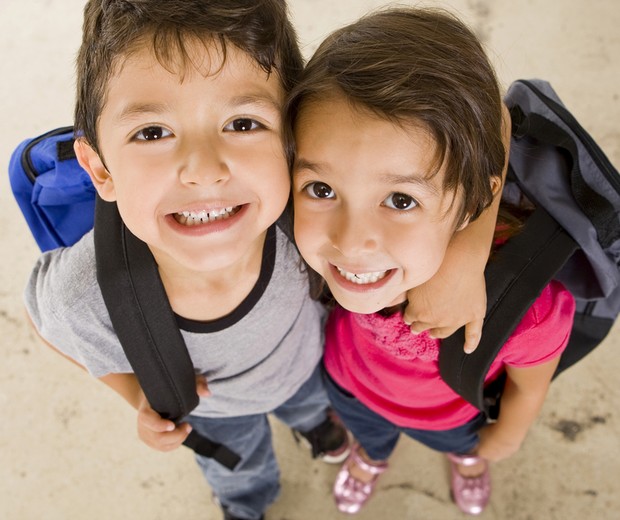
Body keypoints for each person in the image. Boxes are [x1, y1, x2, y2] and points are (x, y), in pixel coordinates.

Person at [23, 2, 352, 519]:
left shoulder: (310, 219)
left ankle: (316, 427)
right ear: (100, 169)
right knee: (239, 469)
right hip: (213, 411)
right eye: (152, 132)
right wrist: (136, 394)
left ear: (292, 139)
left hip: (303, 365)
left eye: (243, 122)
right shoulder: (87, 291)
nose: (204, 170)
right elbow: (49, 321)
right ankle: (248, 506)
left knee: (310, 403)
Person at [285, 6, 576, 516]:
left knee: (465, 451)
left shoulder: (527, 310)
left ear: (474, 201)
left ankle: (465, 465)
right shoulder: (290, 222)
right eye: (322, 188)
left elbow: (529, 388)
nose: (352, 242)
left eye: (401, 200)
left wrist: (505, 437)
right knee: (370, 438)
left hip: (453, 418)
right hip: (349, 384)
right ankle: (371, 458)